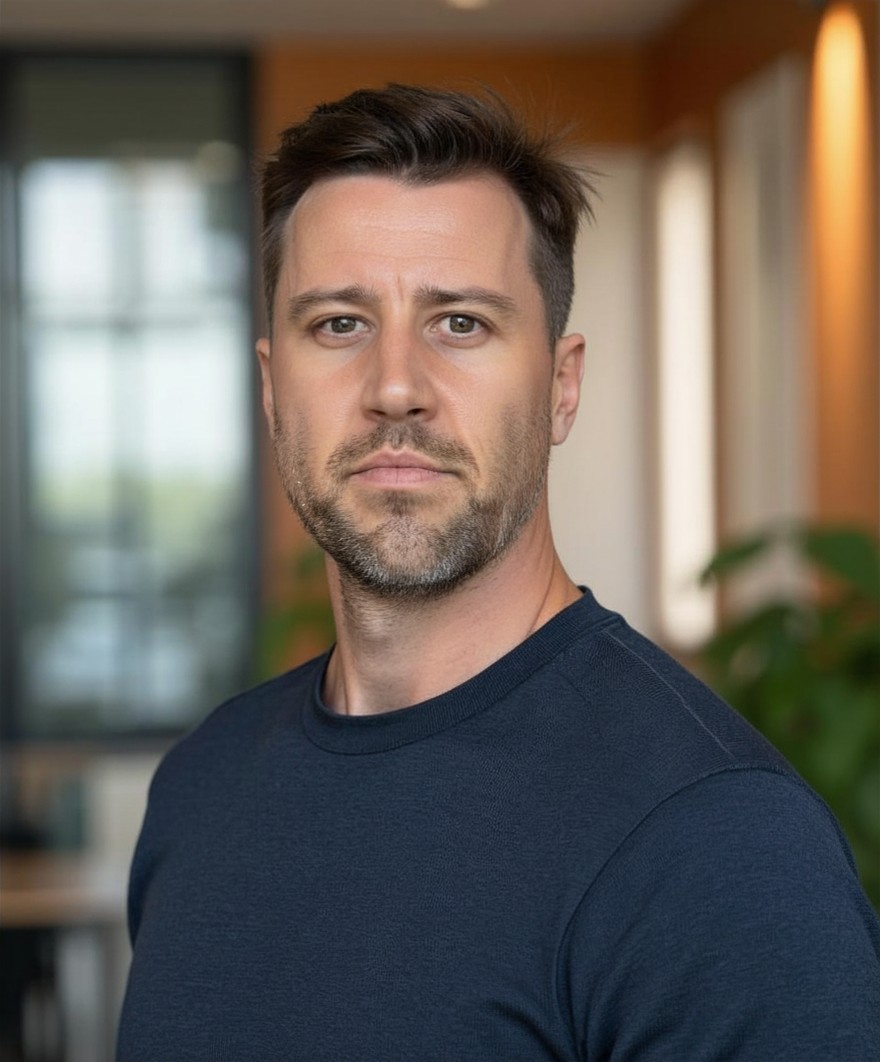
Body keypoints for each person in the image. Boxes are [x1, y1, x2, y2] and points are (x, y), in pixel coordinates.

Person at [117, 85, 879, 1061]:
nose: (396, 387)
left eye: (461, 324)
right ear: (271, 387)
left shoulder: (718, 845)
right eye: (340, 324)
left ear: (561, 387)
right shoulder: (202, 788)